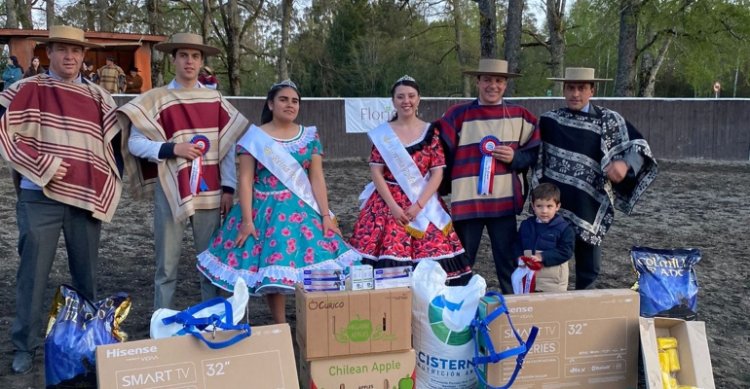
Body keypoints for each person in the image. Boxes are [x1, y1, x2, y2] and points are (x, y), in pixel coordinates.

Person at [0, 25, 123, 375]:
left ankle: (87, 346)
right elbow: (6, 134)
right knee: (32, 275)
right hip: (38, 198)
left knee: (87, 277)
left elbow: (110, 148)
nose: (70, 56)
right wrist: (43, 165)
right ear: (49, 53)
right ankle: (24, 345)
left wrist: (104, 181)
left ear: (84, 57)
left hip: (85, 198)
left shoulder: (99, 97)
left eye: (76, 51)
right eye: (63, 50)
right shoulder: (28, 89)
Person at [197, 80, 359, 324]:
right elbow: (245, 179)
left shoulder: (310, 136)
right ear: (271, 104)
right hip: (265, 210)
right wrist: (247, 220)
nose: (290, 104)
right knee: (272, 268)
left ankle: (313, 324)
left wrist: (326, 215)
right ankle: (281, 324)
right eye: (283, 99)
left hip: (303, 210)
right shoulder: (254, 137)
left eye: (295, 101)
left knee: (316, 266)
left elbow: (316, 178)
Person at [118, 32, 249, 310]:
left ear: (201, 61)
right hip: (170, 190)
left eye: (195, 56)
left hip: (210, 192)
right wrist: (171, 149)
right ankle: (161, 324)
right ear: (173, 59)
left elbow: (225, 147)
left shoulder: (214, 99)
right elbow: (135, 143)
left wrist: (228, 188)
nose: (189, 61)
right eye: (183, 55)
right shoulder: (157, 99)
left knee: (210, 263)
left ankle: (213, 319)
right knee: (166, 266)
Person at [533, 67, 658, 289]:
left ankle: (583, 312)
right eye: (570, 88)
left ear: (592, 90)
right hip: (552, 209)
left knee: (588, 271)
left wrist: (625, 163)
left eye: (581, 88)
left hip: (589, 206)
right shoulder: (549, 121)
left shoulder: (609, 121)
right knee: (547, 269)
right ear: (563, 90)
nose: (575, 93)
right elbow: (530, 151)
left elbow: (639, 147)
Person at [349, 75, 471, 285]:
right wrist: (394, 207)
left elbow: (437, 173)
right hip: (387, 205)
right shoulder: (382, 134)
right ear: (393, 101)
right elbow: (377, 173)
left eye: (411, 96)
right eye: (401, 96)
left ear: (419, 99)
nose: (406, 101)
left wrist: (419, 205)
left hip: (424, 202)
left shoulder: (431, 132)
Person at [436, 59, 540, 294]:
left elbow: (535, 151)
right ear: (477, 82)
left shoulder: (520, 115)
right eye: (487, 80)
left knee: (507, 262)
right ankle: (456, 308)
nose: (493, 85)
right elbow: (437, 148)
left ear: (505, 84)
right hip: (467, 202)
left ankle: (514, 309)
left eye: (499, 81)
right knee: (462, 262)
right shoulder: (457, 114)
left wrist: (516, 157)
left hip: (502, 203)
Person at [514, 183, 575, 293]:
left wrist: (542, 256)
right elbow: (517, 244)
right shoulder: (526, 225)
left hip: (553, 283)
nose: (544, 211)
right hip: (528, 278)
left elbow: (566, 251)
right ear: (533, 206)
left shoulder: (565, 228)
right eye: (539, 206)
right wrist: (519, 257)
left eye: (549, 206)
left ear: (557, 206)